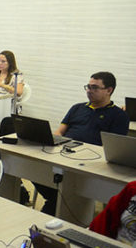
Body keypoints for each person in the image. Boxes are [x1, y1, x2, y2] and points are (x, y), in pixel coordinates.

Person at [34, 71, 130, 215]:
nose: (89, 91)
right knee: (36, 168)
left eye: (94, 88)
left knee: (62, 193)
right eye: (88, 87)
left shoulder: (119, 115)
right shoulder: (77, 108)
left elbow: (113, 148)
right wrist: (51, 142)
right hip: (64, 153)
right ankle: (56, 198)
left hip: (91, 162)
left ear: (109, 90)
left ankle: (57, 201)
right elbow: (59, 132)